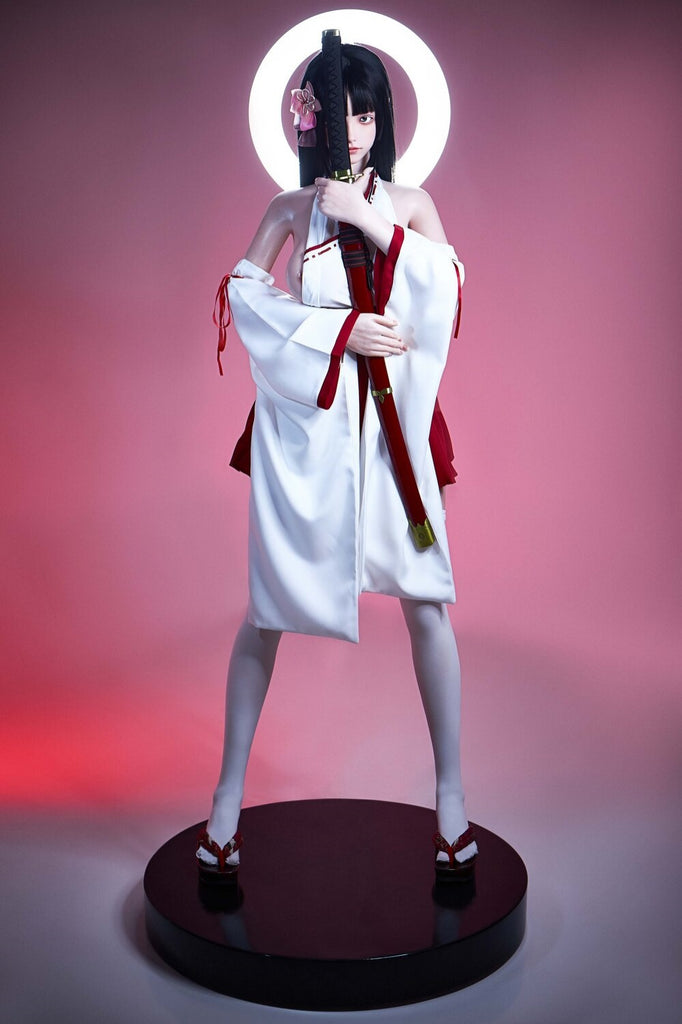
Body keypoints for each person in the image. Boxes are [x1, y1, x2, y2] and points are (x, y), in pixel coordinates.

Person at [198, 41, 477, 884]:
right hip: (309, 435)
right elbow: (243, 298)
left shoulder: (413, 204)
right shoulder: (288, 208)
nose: (351, 130)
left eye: (365, 113)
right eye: (337, 113)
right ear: (308, 120)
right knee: (266, 610)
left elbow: (447, 290)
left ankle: (452, 793)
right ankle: (225, 799)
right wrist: (340, 332)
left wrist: (371, 221)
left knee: (425, 604)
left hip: (392, 430)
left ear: (381, 118)